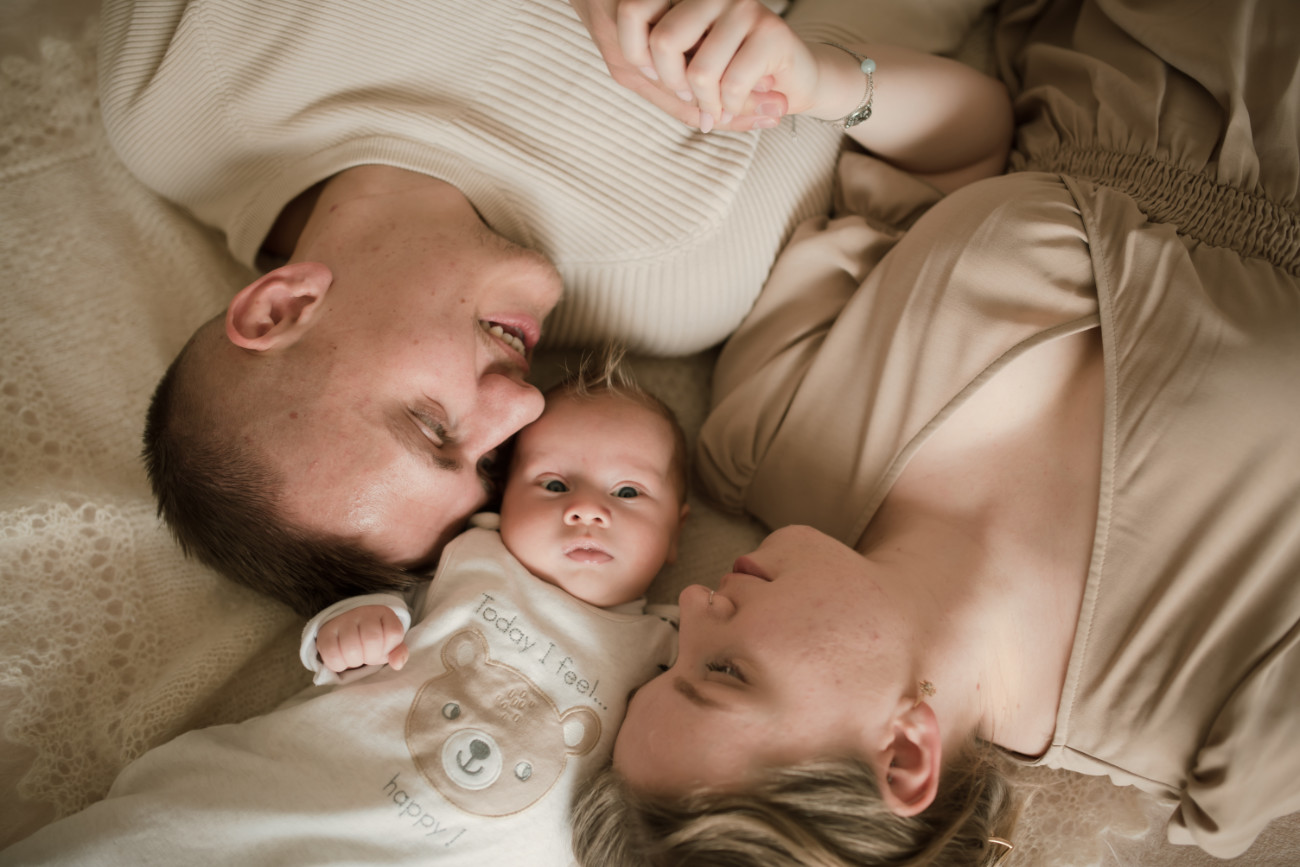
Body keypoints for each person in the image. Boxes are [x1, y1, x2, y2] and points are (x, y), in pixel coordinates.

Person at [568, 0, 1300, 864]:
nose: (690, 604)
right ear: (905, 752)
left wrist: (822, 82)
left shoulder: (770, 430)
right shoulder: (1231, 731)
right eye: (722, 671)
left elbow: (972, 139)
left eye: (668, 664)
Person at [102, 0, 851, 615]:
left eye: (431, 424)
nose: (523, 405)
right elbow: (886, 42)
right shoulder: (687, 273)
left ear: (281, 309)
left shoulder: (178, 89)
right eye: (493, 462)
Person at [0, 355, 686, 866]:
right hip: (305, 788)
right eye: (555, 482)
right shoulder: (472, 559)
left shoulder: (667, 644)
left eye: (628, 491)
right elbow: (376, 621)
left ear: (677, 530)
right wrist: (355, 627)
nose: (586, 507)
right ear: (502, 498)